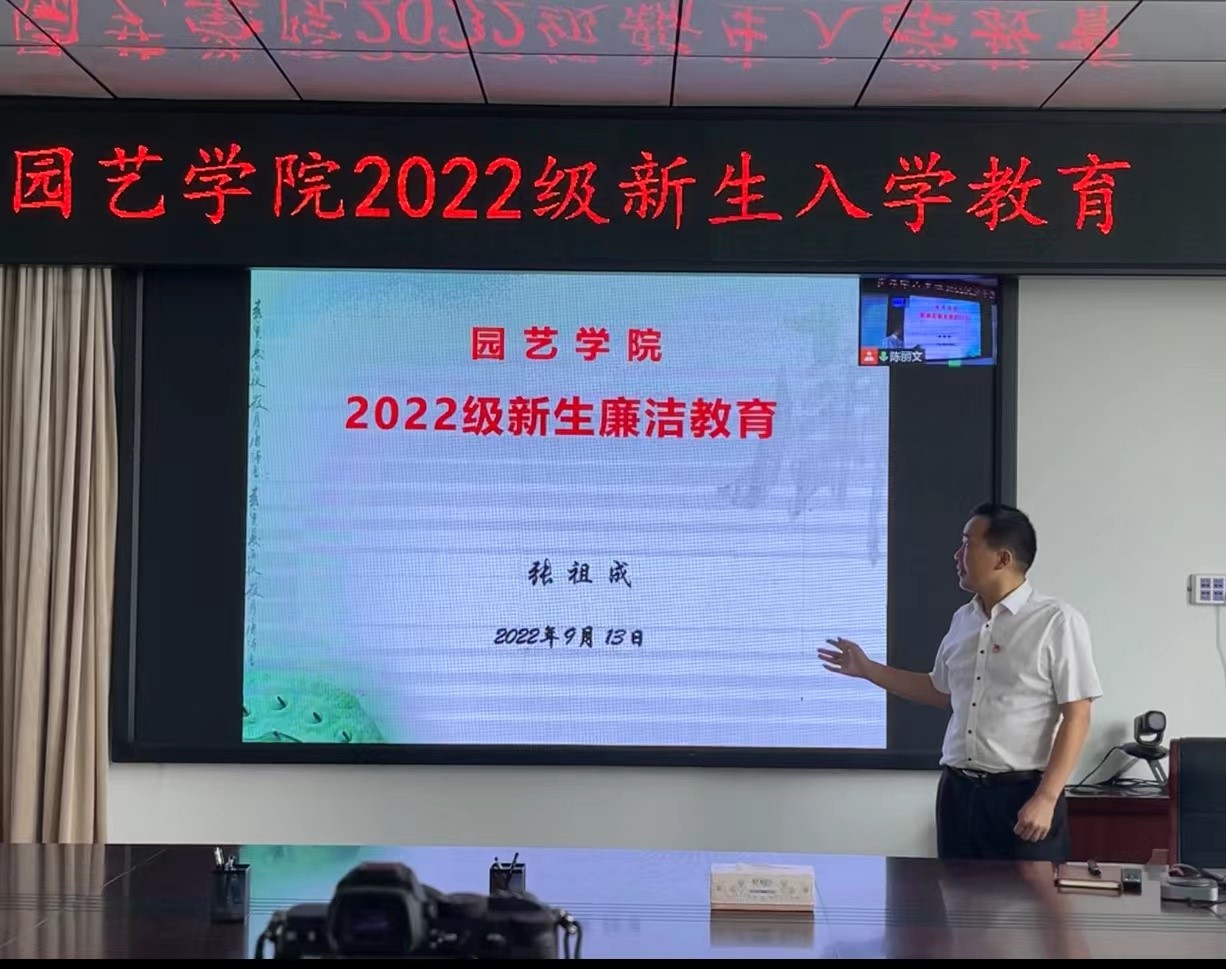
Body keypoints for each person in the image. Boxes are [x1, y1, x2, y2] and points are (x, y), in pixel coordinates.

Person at [818, 503, 1102, 862]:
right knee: (955, 897)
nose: (956, 555)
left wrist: (1046, 798)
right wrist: (868, 669)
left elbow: (1078, 715)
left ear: (1002, 558)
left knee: (1030, 899)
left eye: (967, 544)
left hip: (1024, 794)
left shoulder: (1056, 621)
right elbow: (940, 692)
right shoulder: (963, 619)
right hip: (958, 793)